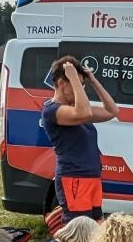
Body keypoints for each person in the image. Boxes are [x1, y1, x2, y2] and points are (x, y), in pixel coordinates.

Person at [42, 55, 118, 222]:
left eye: (82, 84)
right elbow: (83, 113)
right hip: (74, 178)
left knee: (97, 226)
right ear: (62, 83)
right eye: (76, 82)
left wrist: (93, 81)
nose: (81, 87)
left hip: (92, 177)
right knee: (79, 232)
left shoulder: (78, 109)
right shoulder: (52, 110)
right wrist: (74, 78)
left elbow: (112, 111)